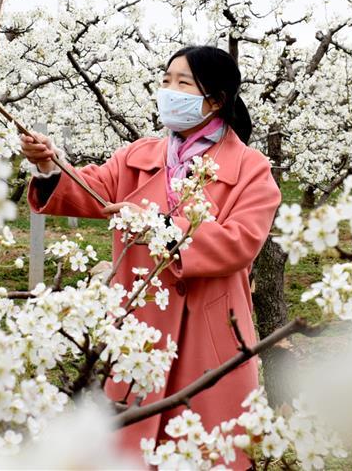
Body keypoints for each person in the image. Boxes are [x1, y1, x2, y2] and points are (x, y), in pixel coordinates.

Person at [19, 45, 282, 470]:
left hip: (209, 333)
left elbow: (240, 242)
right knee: (129, 451)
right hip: (138, 328)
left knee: (205, 449)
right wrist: (51, 168)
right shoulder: (138, 156)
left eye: (182, 84)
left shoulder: (251, 169)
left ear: (215, 100)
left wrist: (158, 226)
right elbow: (92, 190)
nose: (168, 91)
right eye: (165, 81)